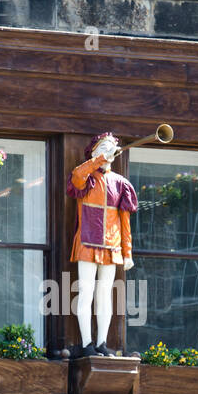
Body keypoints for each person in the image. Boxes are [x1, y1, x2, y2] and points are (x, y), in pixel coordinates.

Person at [67, 133, 138, 358]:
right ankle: (87, 343)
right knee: (86, 293)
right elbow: (77, 175)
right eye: (103, 147)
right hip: (87, 242)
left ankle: (101, 343)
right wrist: (98, 160)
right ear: (94, 152)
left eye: (111, 148)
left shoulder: (122, 184)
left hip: (112, 246)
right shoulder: (86, 178)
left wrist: (128, 253)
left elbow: (125, 223)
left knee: (105, 295)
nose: (108, 152)